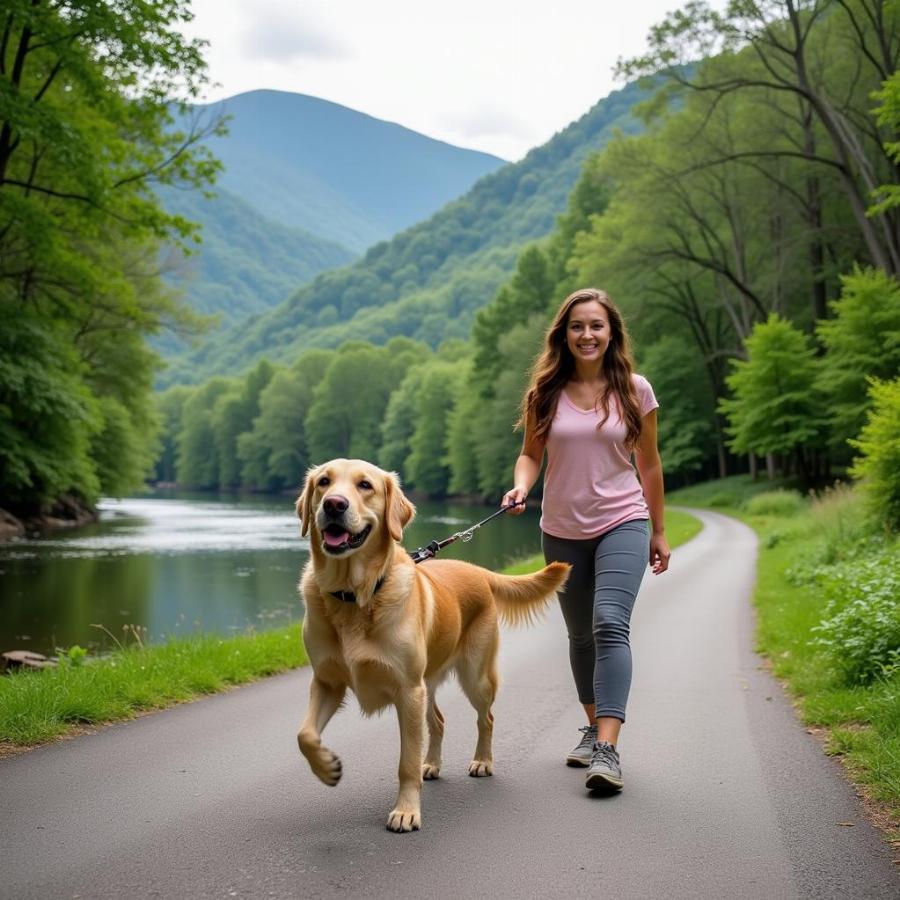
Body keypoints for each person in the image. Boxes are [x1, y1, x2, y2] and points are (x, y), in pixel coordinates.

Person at [501, 287, 670, 792]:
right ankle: (594, 726)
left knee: (609, 623)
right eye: (578, 326)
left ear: (611, 332)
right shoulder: (545, 393)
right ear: (564, 334)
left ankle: (608, 749)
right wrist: (522, 485)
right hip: (561, 529)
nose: (587, 334)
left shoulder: (635, 390)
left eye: (596, 325)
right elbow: (531, 454)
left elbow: (651, 463)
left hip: (624, 521)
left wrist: (658, 529)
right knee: (579, 636)